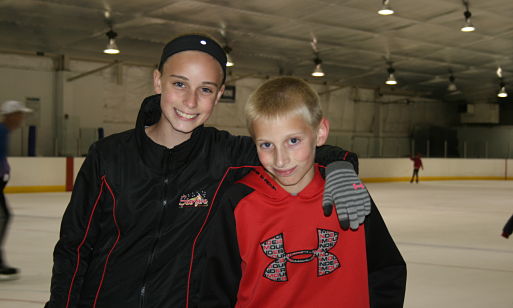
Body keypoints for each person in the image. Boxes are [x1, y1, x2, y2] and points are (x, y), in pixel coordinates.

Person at [45, 34, 368, 308]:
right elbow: (74, 247)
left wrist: (341, 167)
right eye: (179, 83)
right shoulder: (109, 156)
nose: (190, 101)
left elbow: (299, 150)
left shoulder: (226, 154)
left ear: (219, 94)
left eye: (206, 89)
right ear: (158, 80)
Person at [199, 77, 406, 308]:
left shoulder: (347, 194)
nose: (280, 159)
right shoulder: (239, 202)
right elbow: (216, 292)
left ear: (320, 133)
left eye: (293, 141)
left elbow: (386, 270)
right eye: (266, 145)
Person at [0, 100, 32, 279]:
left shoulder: (4, 132)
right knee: (2, 217)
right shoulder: (1, 131)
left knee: (3, 217)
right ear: (10, 115)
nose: (22, 118)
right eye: (19, 114)